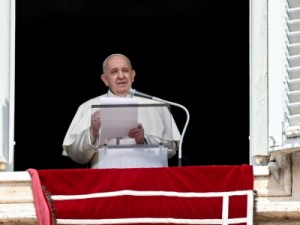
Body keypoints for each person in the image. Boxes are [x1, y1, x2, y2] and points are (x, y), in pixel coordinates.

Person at [62, 53, 181, 168]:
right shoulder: (88, 107)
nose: (121, 76)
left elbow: (171, 150)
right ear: (105, 79)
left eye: (125, 70)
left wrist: (143, 140)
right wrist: (92, 132)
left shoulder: (157, 105)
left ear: (133, 75)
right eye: (114, 71)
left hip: (148, 182)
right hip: (106, 183)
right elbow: (77, 156)